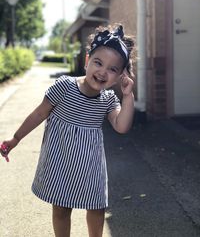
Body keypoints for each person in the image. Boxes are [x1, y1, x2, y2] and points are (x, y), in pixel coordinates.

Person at [0, 24, 135, 237]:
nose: (103, 72)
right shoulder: (65, 87)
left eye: (112, 69)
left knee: (97, 207)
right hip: (59, 160)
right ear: (87, 60)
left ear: (120, 77)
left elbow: (122, 126)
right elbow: (38, 114)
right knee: (62, 208)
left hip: (90, 166)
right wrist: (16, 138)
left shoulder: (108, 100)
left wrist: (127, 96)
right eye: (98, 63)